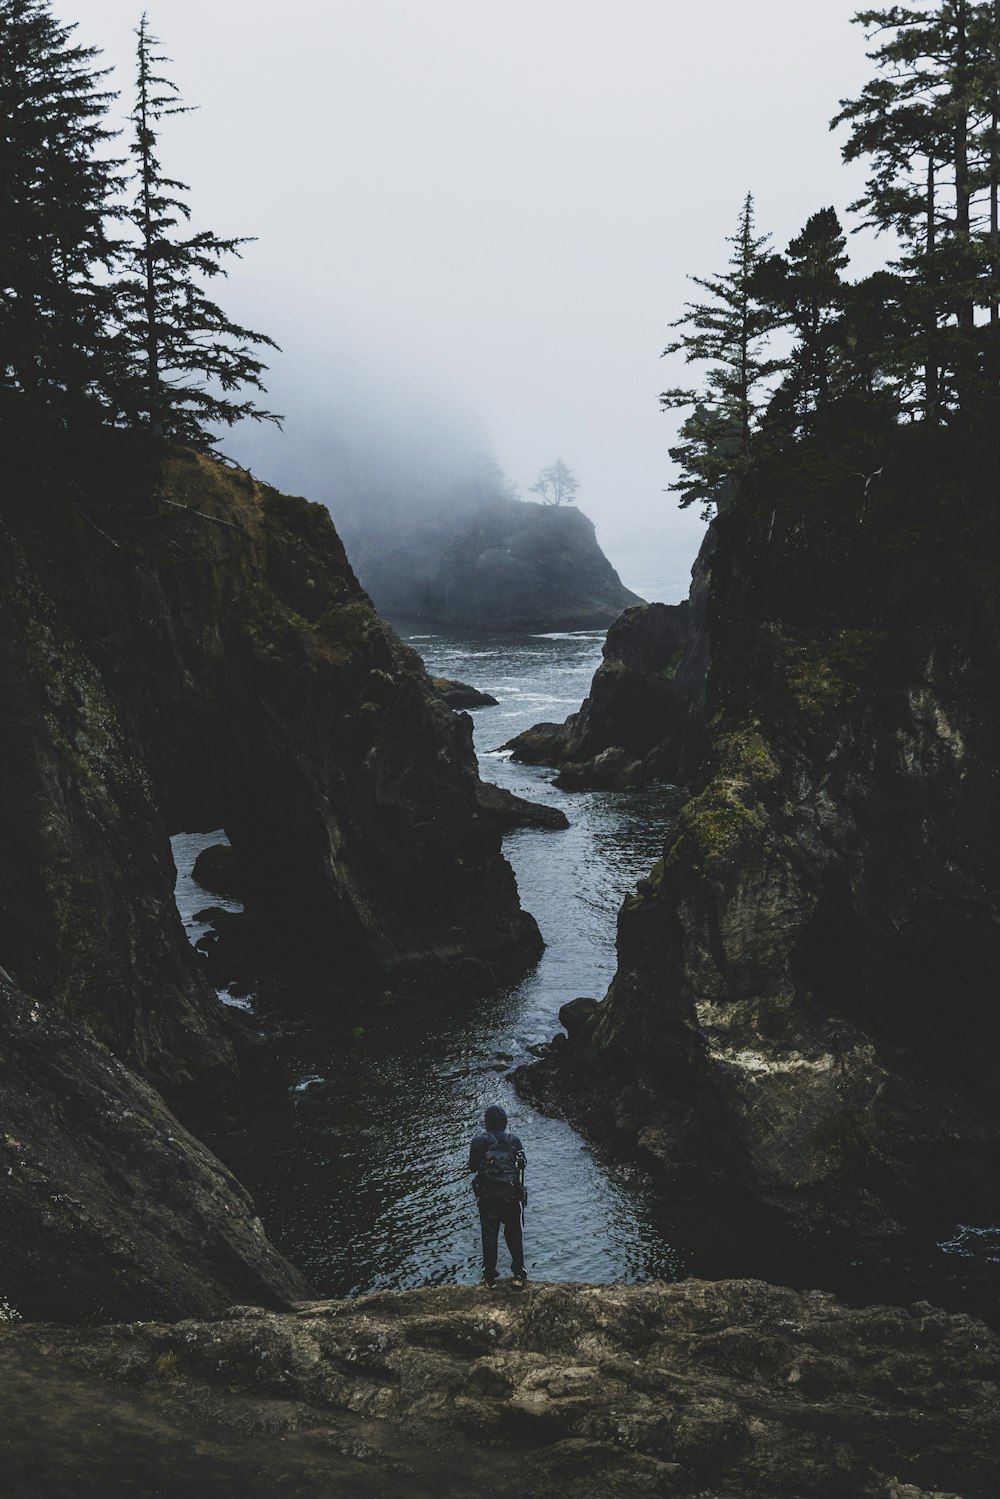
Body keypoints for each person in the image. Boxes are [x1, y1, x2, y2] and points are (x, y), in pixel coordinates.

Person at [468, 1104, 527, 1290]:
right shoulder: (514, 1140)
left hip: (488, 1200)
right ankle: (518, 1275)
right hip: (511, 1198)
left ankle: (490, 1278)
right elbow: (523, 1164)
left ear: (487, 1122)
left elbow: (472, 1167)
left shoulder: (479, 1141)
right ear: (504, 1122)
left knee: (490, 1237)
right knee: (514, 1236)